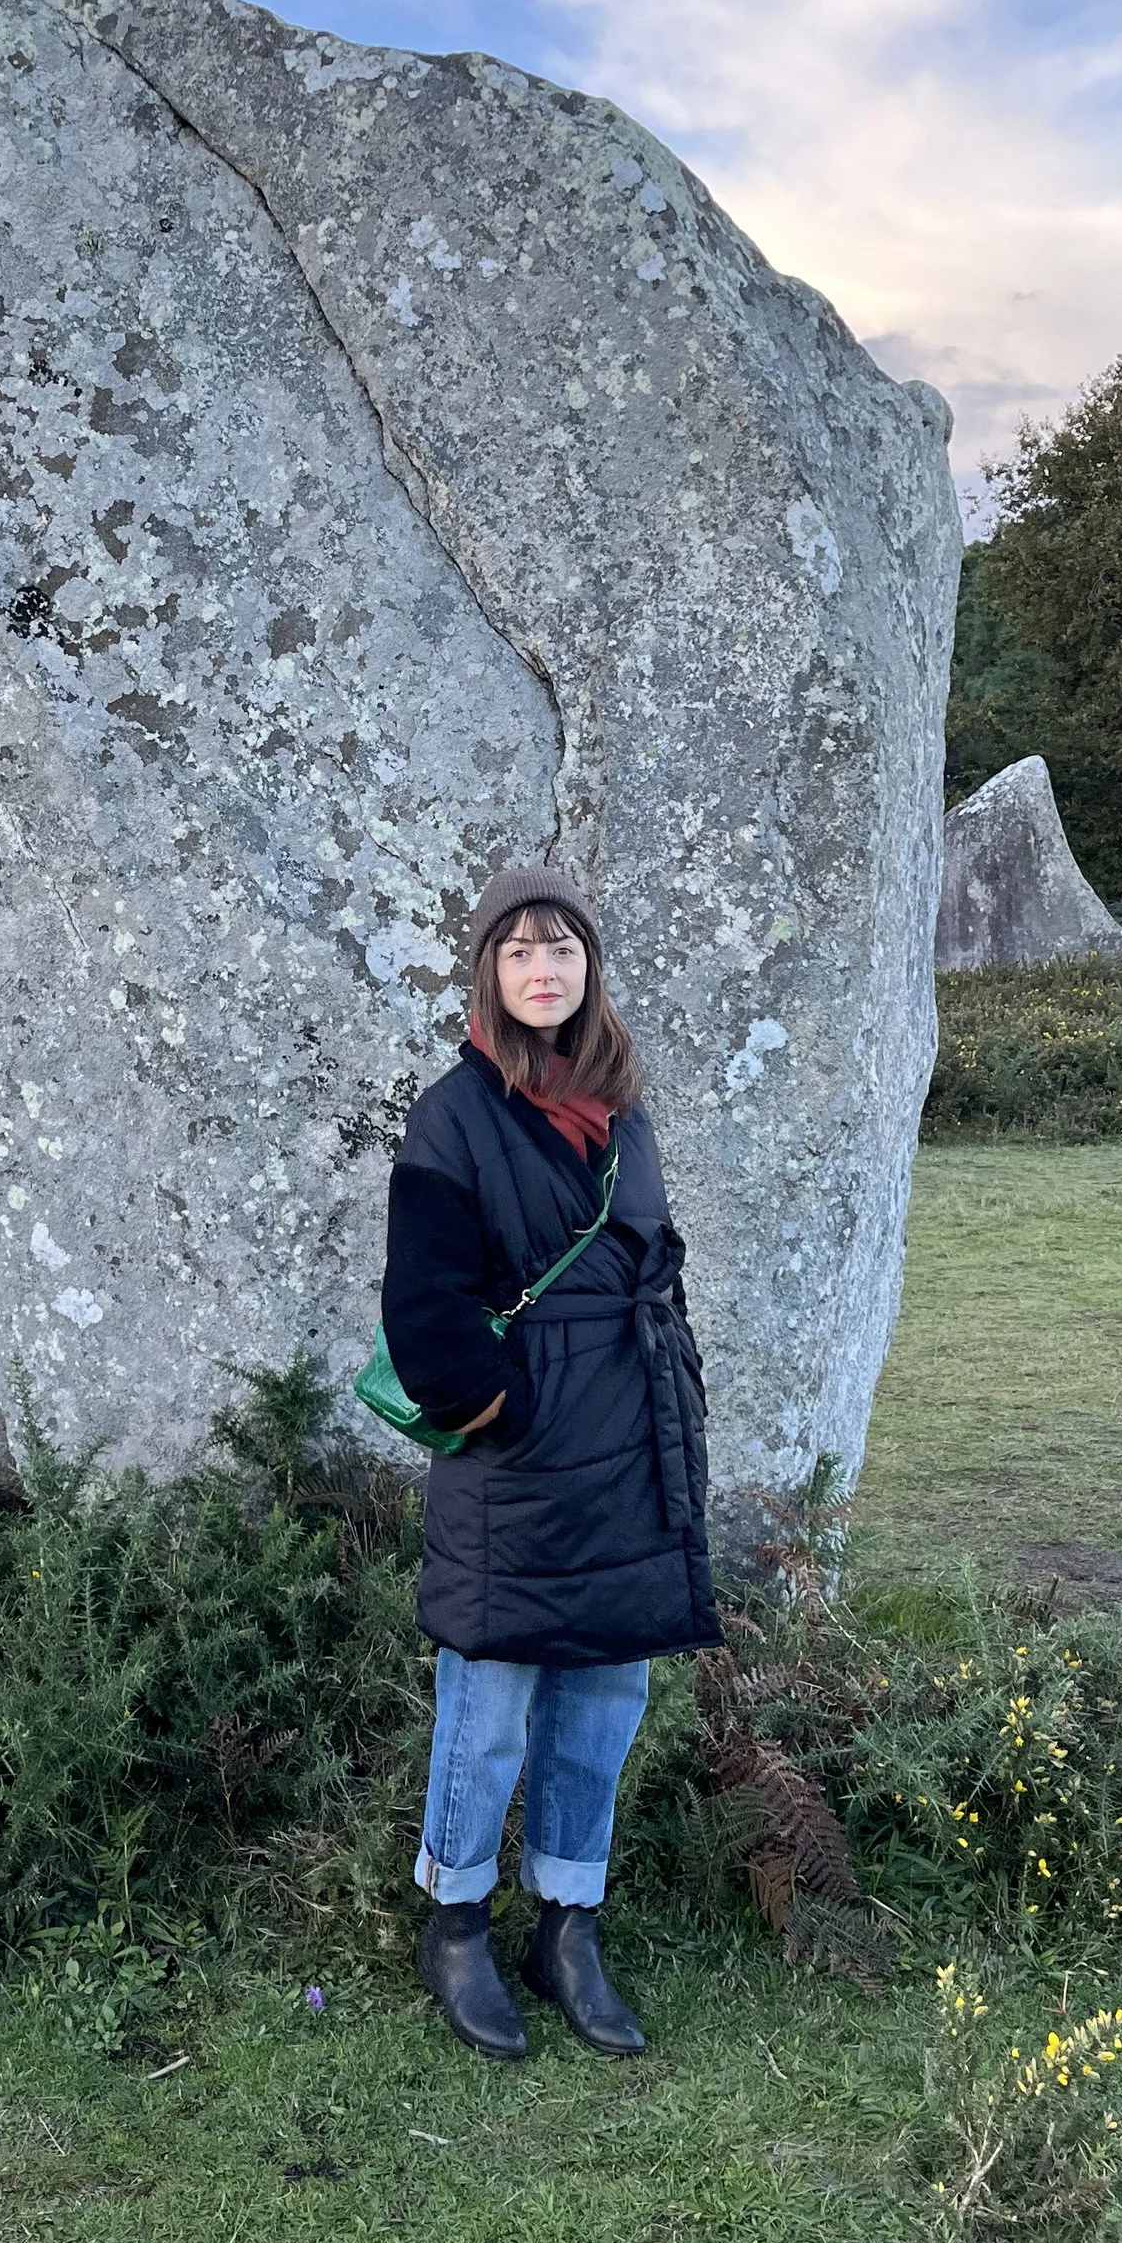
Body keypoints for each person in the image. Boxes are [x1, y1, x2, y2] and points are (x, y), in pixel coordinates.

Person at [379, 863, 719, 2062]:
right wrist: (488, 1407)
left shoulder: (625, 1110)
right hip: (516, 1463)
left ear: (588, 971)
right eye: (518, 951)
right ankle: (457, 1923)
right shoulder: (451, 1117)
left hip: (628, 1450)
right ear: (488, 972)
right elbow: (422, 1305)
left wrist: (666, 1394)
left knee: (603, 1707)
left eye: (561, 949)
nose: (541, 969)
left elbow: (655, 1259)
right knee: (490, 1707)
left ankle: (567, 1925)